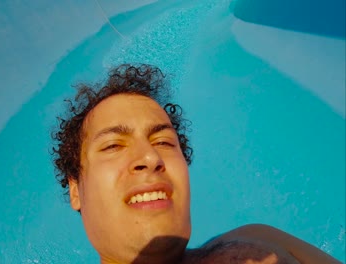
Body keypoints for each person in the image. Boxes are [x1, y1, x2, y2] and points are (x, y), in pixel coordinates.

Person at [51, 64, 341, 264]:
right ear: (75, 189)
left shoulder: (258, 238)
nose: (150, 158)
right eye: (113, 145)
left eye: (164, 142)